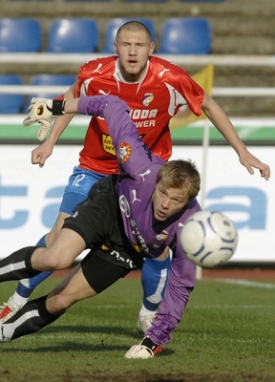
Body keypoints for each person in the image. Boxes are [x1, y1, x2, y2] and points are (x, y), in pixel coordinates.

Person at [0, 21, 270, 330]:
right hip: (95, 167)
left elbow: (207, 103)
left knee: (158, 249)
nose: (132, 51)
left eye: (139, 45)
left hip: (147, 177)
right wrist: (49, 143)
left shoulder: (170, 78)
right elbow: (75, 95)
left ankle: (148, 313)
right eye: (126, 44)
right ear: (115, 47)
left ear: (151, 49)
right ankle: (17, 300)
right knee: (57, 238)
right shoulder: (94, 73)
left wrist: (242, 150)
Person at [0, 94, 202, 359]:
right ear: (157, 183)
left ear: (188, 201)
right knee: (56, 257)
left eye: (176, 200)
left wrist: (153, 342)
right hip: (107, 207)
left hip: (128, 249)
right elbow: (112, 105)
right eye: (163, 193)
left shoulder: (190, 227)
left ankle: (4, 332)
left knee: (62, 299)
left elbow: (180, 286)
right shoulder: (139, 165)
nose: (165, 204)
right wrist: (55, 106)